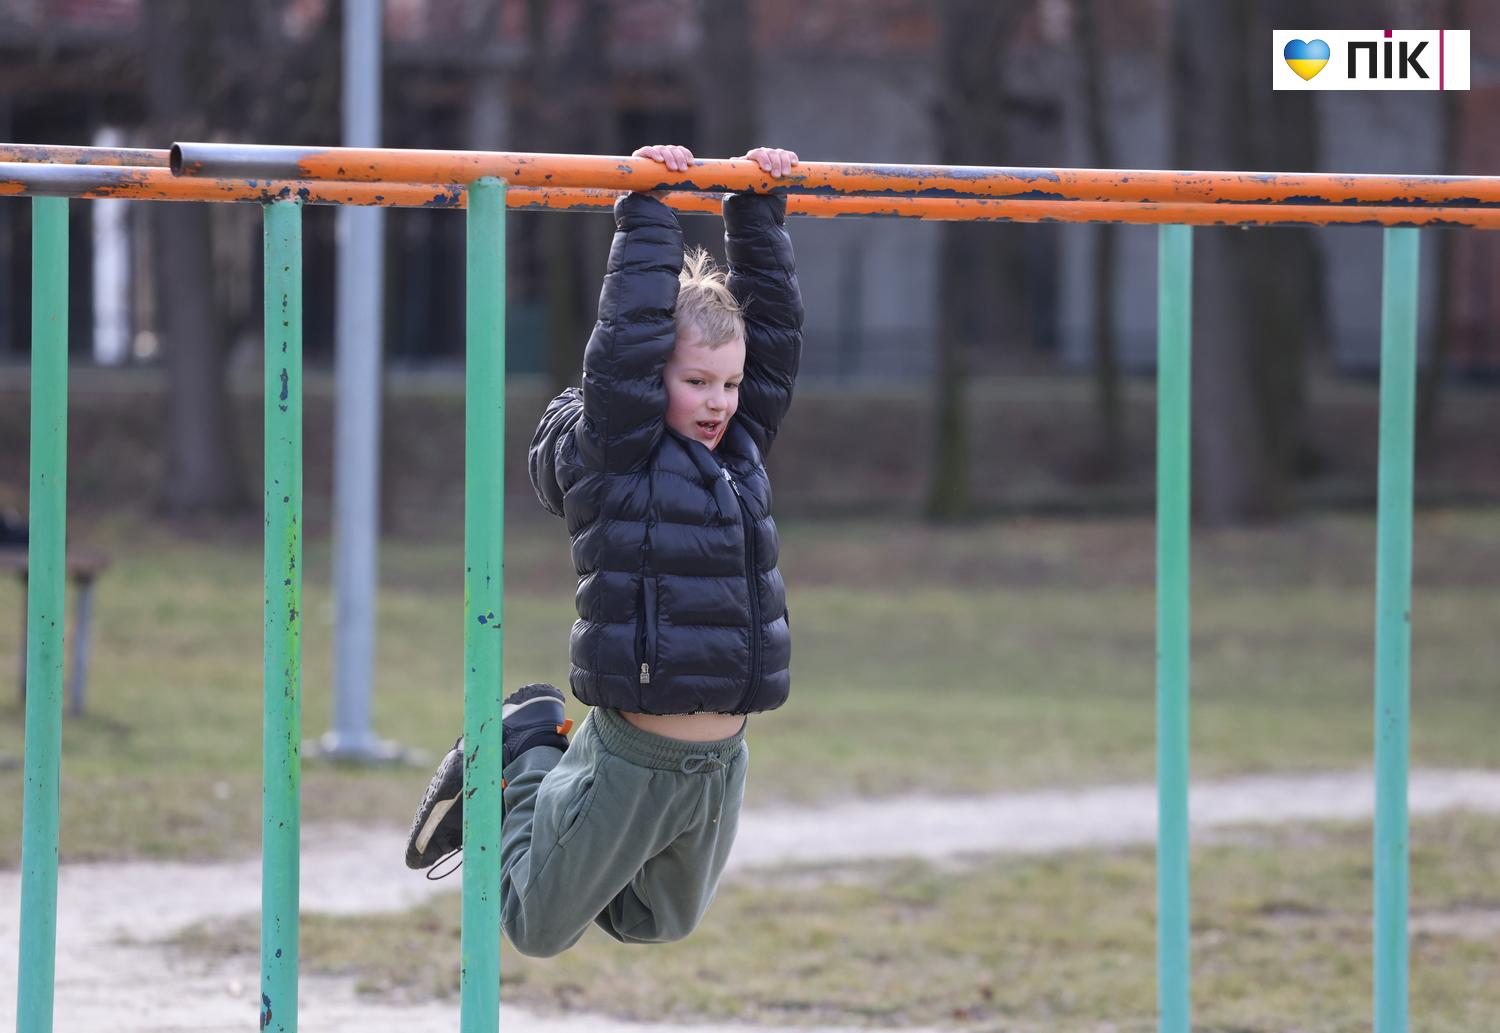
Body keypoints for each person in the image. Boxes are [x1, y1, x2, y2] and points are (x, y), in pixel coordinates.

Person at [405, 144, 804, 958]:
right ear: (653, 379)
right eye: (696, 382)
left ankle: (546, 766)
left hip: (720, 756)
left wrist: (757, 205)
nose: (719, 403)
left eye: (729, 384)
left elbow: (774, 336)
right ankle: (523, 752)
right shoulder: (625, 455)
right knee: (536, 922)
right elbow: (624, 344)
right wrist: (649, 205)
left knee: (653, 917)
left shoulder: (737, 445)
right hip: (638, 751)